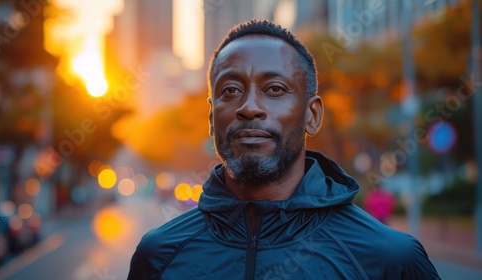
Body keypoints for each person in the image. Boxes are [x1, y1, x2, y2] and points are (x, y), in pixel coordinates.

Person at [128, 19, 440, 280]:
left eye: (275, 89)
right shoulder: (158, 255)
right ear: (212, 118)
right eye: (231, 90)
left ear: (312, 115)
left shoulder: (391, 260)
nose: (249, 107)